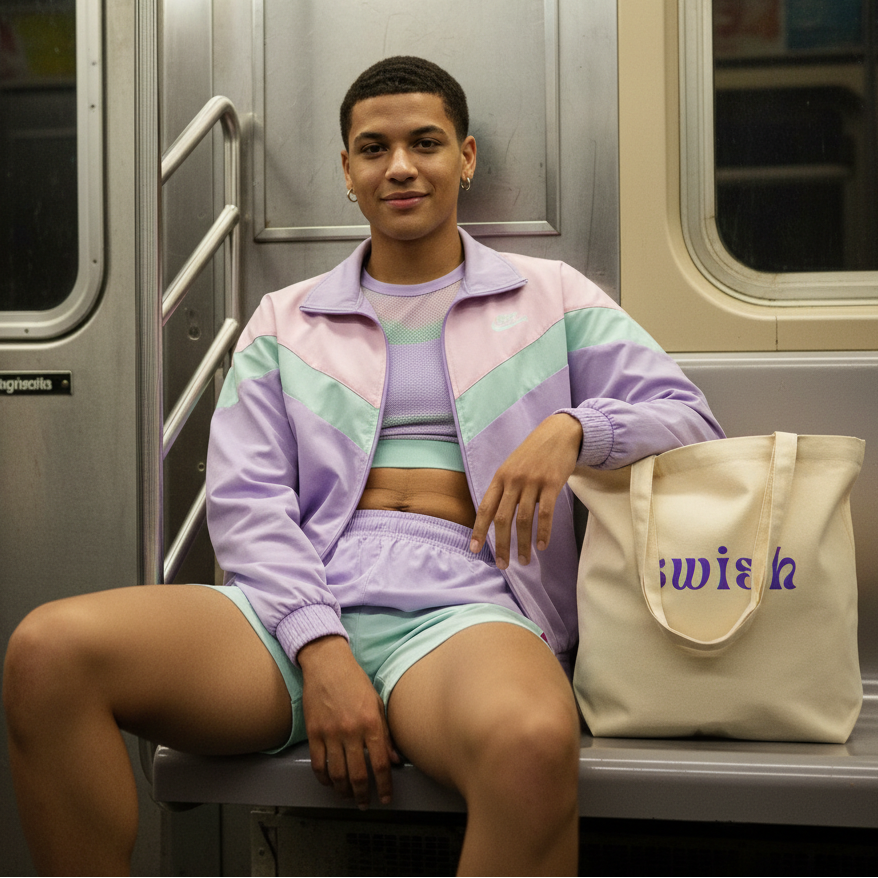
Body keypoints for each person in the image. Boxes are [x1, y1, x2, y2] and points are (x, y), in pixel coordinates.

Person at [3, 56, 724, 877]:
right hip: (297, 606)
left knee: (531, 743)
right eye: (374, 148)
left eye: (426, 142)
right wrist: (322, 647)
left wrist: (574, 427)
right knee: (48, 652)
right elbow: (247, 503)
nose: (402, 167)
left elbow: (690, 419)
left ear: (468, 157)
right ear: (348, 170)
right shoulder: (288, 319)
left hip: (468, 613)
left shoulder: (551, 298)